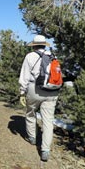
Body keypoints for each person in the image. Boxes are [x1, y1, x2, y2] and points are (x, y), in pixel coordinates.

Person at [18, 34, 58, 162]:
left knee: (30, 113)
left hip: (34, 89)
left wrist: (22, 93)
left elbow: (24, 77)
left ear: (34, 45)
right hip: (52, 91)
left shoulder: (30, 56)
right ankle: (45, 150)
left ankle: (32, 138)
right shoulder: (53, 56)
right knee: (48, 121)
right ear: (44, 44)